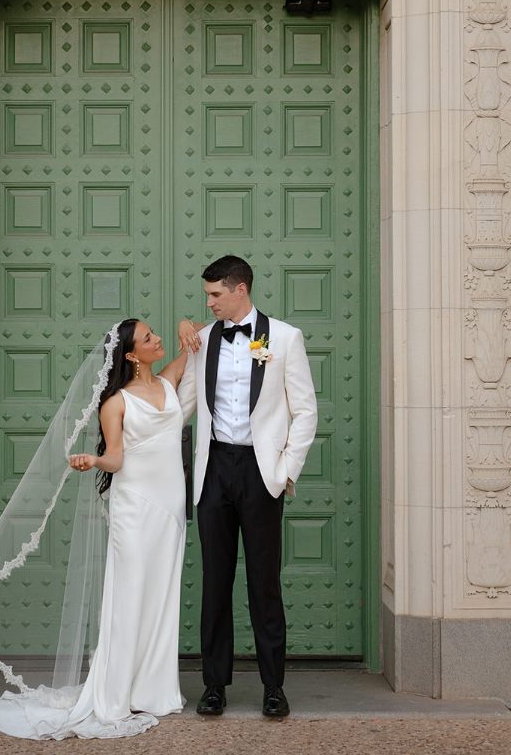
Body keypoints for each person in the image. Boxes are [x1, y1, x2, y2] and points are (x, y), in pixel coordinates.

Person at [0, 319, 190, 741]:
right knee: (129, 594)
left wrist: (190, 324)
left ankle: (152, 689)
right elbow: (115, 459)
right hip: (135, 506)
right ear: (131, 355)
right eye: (149, 338)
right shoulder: (115, 402)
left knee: (162, 594)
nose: (158, 339)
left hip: (170, 506)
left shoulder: (169, 381)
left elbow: (200, 342)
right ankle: (114, 694)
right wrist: (92, 462)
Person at [176, 255, 318, 719]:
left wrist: (283, 471)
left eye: (216, 294)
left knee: (264, 584)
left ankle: (273, 686)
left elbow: (305, 411)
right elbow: (183, 407)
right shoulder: (202, 339)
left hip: (261, 473)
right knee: (215, 583)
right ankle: (213, 685)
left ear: (240, 290)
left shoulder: (283, 337)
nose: (209, 302)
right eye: (207, 296)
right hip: (214, 469)